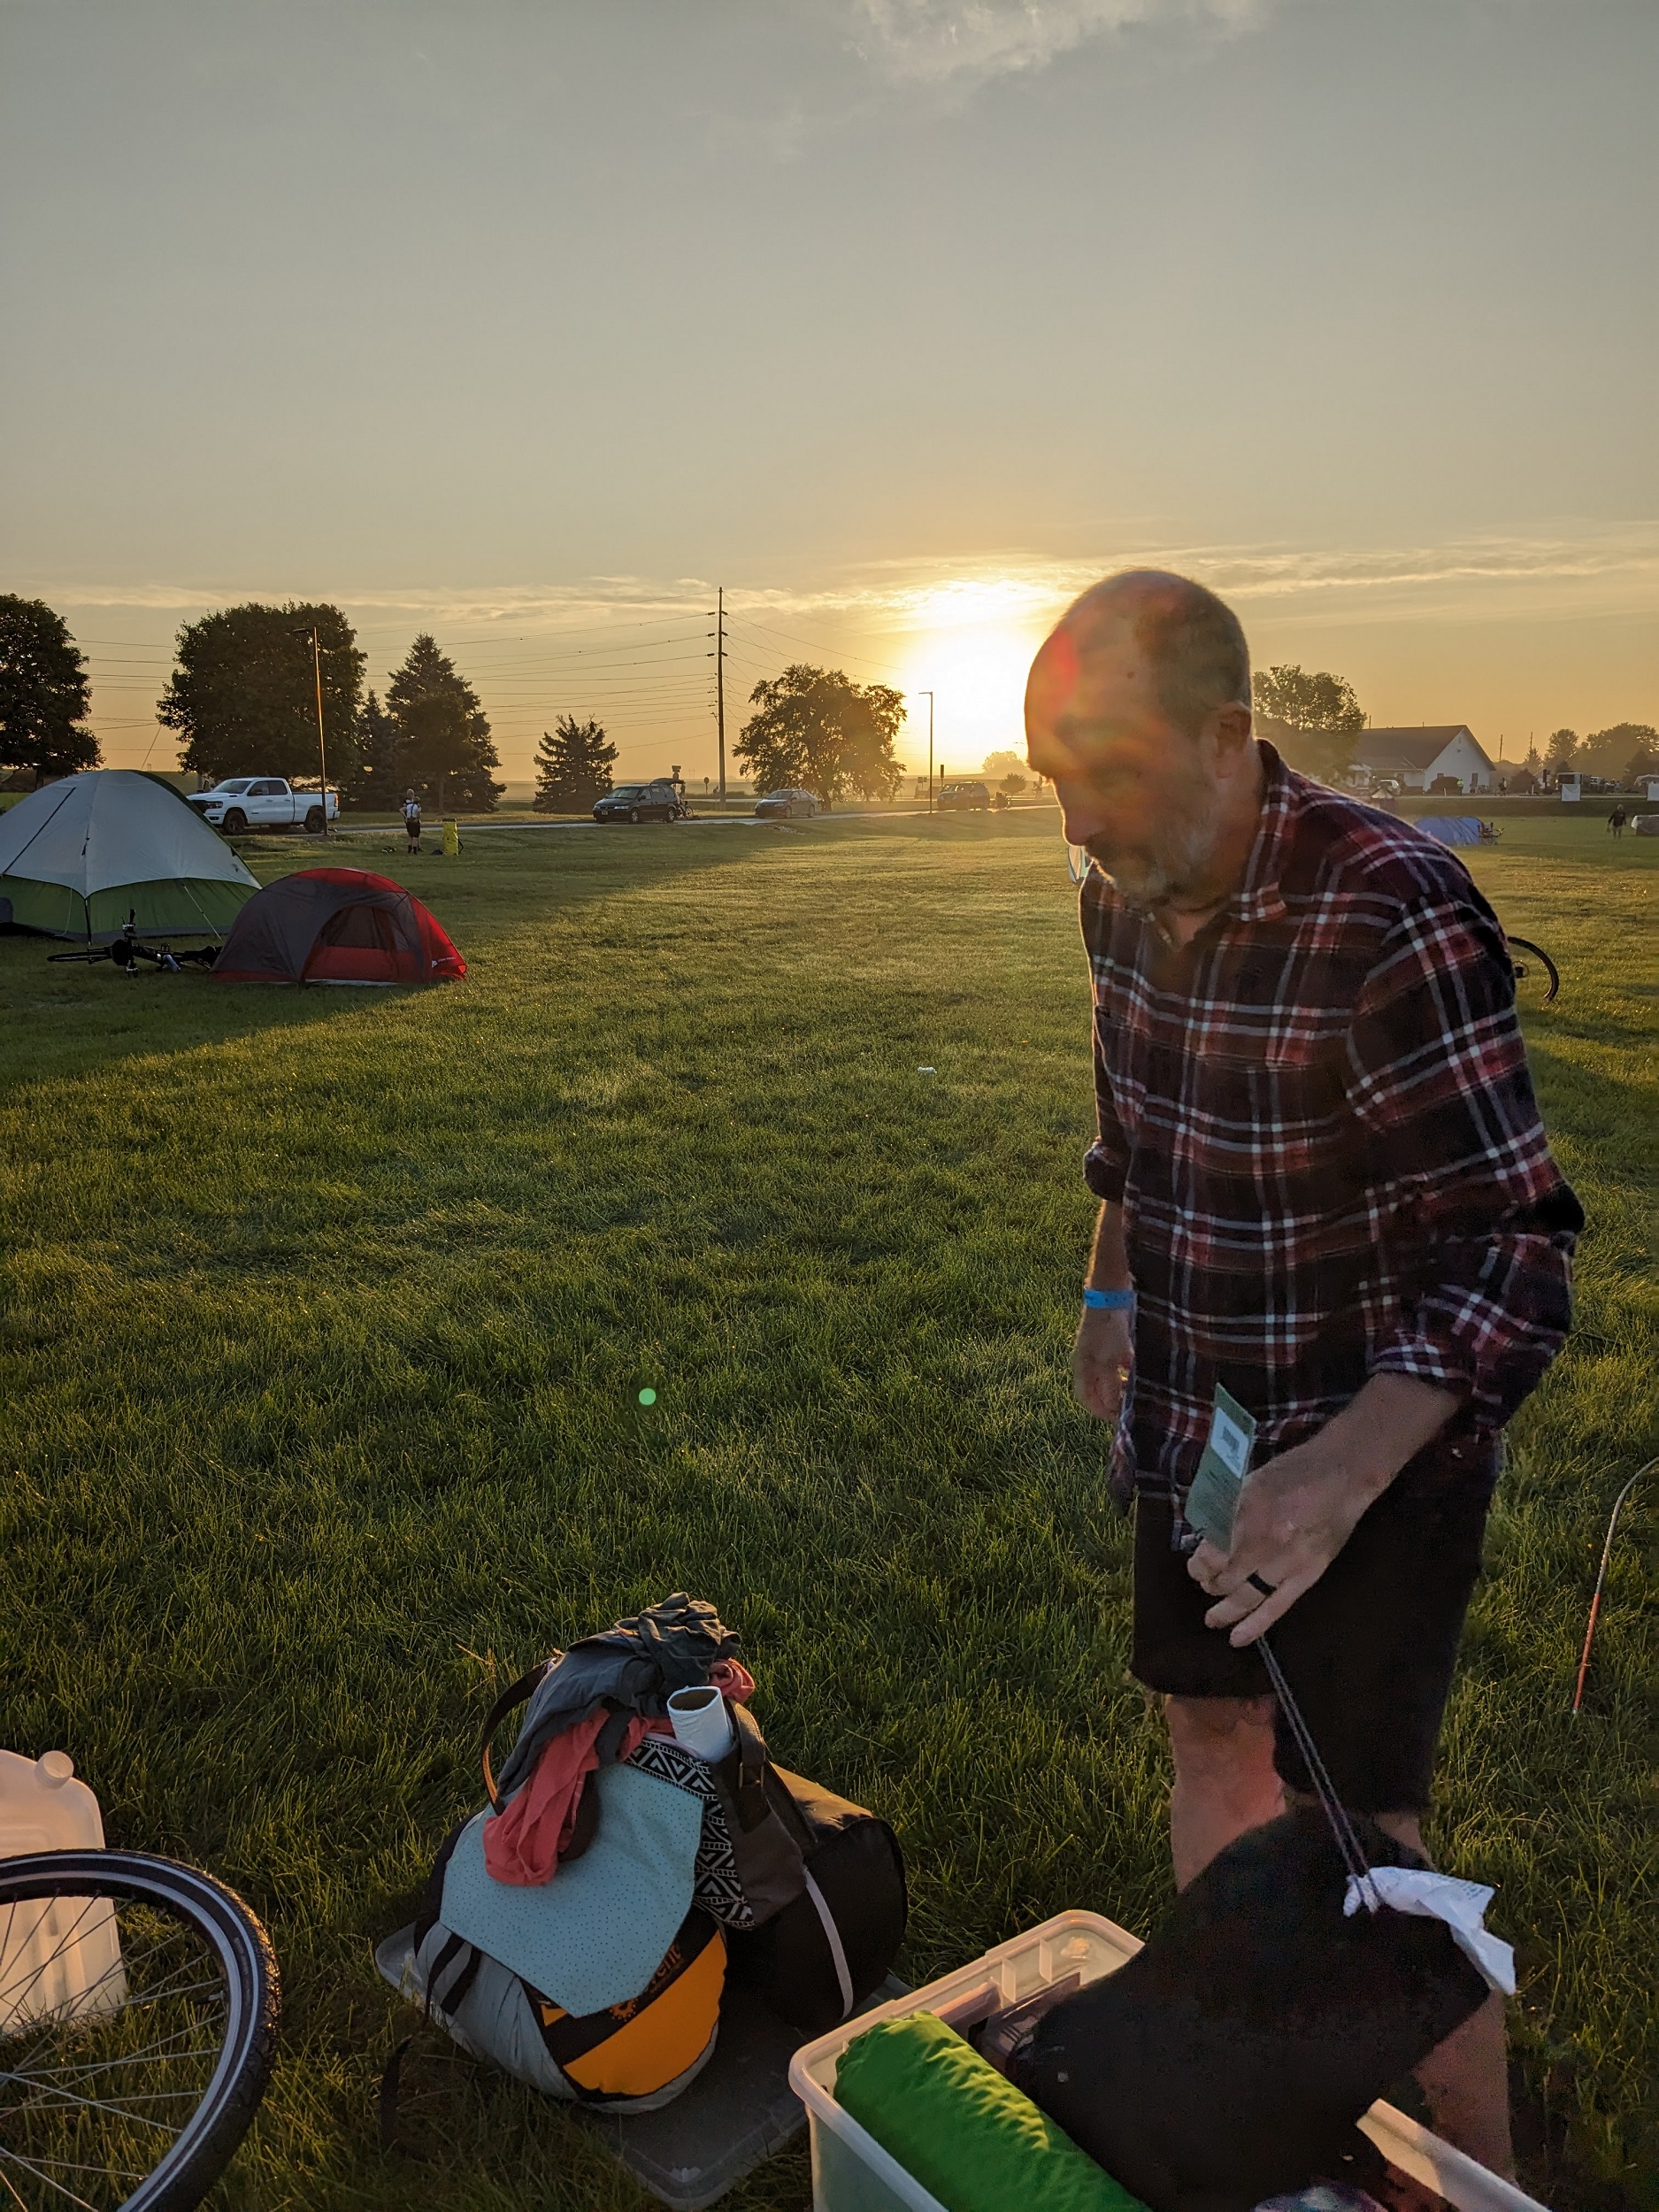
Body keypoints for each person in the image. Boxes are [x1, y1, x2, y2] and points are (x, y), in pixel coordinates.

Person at [1024, 571, 1581, 2176]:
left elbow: (1516, 1253)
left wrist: (1339, 1477)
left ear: (1229, 738)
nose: (1077, 828)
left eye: (1106, 779)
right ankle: (1258, 2105)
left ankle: (1477, 2168)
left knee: (1368, 1853)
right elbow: (1131, 1124)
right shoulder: (1114, 887)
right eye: (1057, 786)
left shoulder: (1391, 907)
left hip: (1377, 1455)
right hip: (1195, 1405)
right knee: (1208, 1732)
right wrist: (1106, 1292)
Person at [403, 787, 422, 855]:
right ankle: (415, 851)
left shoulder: (409, 806)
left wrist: (405, 816)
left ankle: (409, 850)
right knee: (416, 836)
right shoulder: (417, 806)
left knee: (411, 836)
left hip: (409, 820)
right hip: (414, 820)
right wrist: (417, 819)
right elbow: (419, 813)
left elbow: (401, 809)